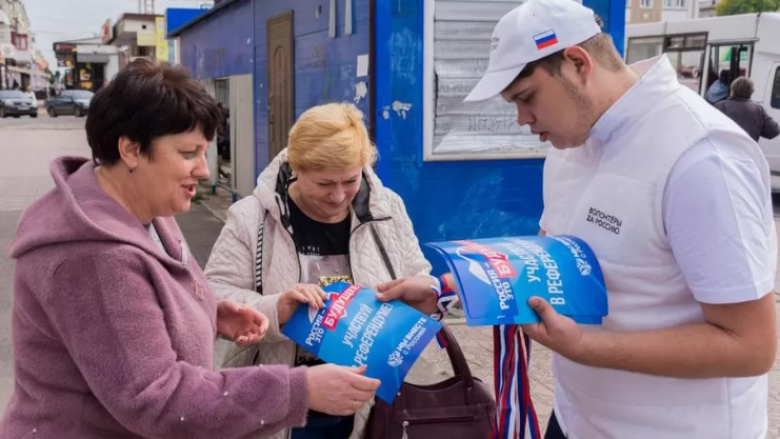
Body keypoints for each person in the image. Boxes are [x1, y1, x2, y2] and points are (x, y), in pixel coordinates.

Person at [379, 1, 778, 438]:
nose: (521, 119)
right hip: (574, 419)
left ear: (577, 62)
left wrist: (587, 347)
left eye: (527, 97)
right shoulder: (569, 148)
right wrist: (448, 292)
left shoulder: (701, 158)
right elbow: (548, 270)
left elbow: (751, 347)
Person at [0, 60, 379, 439]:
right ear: (131, 150)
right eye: (187, 153)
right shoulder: (94, 257)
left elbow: (136, 317)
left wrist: (208, 313)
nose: (203, 170)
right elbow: (157, 400)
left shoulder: (144, 210)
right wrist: (301, 390)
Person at [204, 102, 437, 439]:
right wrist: (276, 308)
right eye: (325, 184)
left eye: (350, 180)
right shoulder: (252, 218)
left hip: (365, 407)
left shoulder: (387, 209)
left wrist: (425, 293)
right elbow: (213, 296)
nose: (338, 196)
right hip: (278, 409)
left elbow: (419, 274)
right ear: (298, 168)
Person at [715, 76, 780, 142]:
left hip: (724, 149)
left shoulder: (720, 106)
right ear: (751, 92)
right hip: (748, 150)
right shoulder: (758, 109)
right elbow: (774, 131)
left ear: (732, 89)